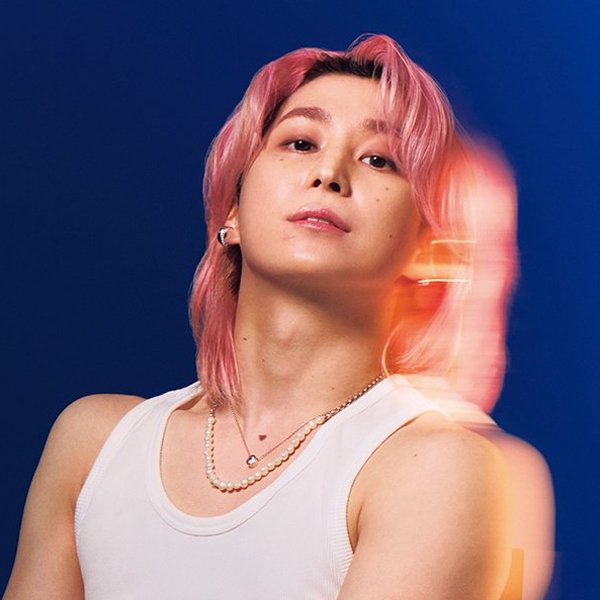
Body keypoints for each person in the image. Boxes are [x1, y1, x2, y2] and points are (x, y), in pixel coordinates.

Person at [4, 34, 554, 599]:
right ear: (233, 211)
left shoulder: (437, 467)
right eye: (300, 142)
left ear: (422, 244)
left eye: (379, 159)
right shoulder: (94, 444)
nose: (330, 172)